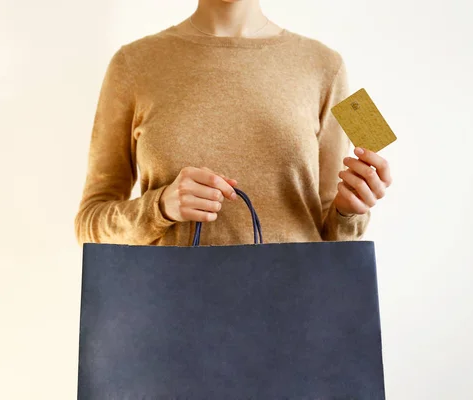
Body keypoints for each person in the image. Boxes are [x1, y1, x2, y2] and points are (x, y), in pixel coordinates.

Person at [74, 0, 393, 246]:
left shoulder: (325, 66)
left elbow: (334, 237)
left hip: (294, 313)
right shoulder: (133, 64)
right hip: (171, 315)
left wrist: (350, 210)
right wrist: (160, 208)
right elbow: (89, 225)